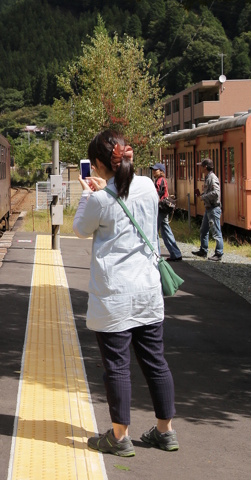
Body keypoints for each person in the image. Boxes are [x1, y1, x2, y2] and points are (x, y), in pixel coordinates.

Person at [73, 130, 178, 457]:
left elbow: (79, 229)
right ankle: (165, 432)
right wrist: (104, 191)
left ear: (102, 164)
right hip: (148, 292)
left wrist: (87, 194)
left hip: (114, 295)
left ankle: (120, 437)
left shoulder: (100, 200)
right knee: (155, 362)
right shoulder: (147, 186)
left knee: (117, 366)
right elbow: (125, 196)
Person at [192, 158, 223, 261]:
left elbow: (216, 193)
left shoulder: (212, 178)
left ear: (205, 167)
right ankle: (203, 250)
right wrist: (202, 195)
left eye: (201, 166)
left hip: (214, 208)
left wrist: (203, 197)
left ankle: (219, 253)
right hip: (209, 209)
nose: (200, 168)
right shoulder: (207, 177)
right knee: (204, 229)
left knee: (216, 232)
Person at [151, 162, 182, 261]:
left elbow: (157, 195)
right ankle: (176, 253)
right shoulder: (162, 180)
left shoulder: (160, 181)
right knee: (166, 231)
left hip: (160, 208)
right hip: (164, 208)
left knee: (154, 231)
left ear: (161, 171)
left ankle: (156, 254)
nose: (153, 171)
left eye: (155, 170)